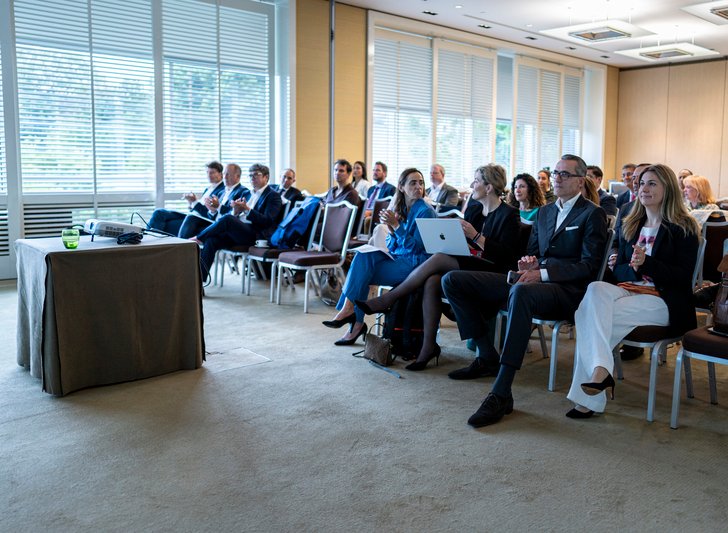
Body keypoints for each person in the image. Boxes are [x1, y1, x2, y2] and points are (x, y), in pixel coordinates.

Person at [442, 154, 608, 428]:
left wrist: (541, 273)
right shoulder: (545, 212)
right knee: (452, 280)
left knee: (520, 293)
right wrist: (528, 265)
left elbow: (588, 267)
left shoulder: (592, 213)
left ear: (580, 182)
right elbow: (532, 253)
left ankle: (501, 391)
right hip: (535, 281)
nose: (557, 178)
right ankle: (487, 354)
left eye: (564, 174)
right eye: (555, 173)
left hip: (568, 292)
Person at [565, 164, 700, 418]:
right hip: (630, 291)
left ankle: (590, 396)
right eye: (642, 183)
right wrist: (634, 267)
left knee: (588, 316)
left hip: (664, 301)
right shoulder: (632, 224)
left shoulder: (684, 227)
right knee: (595, 290)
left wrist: (646, 264)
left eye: (652, 183)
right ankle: (601, 372)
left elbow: (682, 278)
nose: (643, 188)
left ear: (668, 188)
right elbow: (620, 272)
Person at [356, 164, 520, 370]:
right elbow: (466, 245)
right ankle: (428, 347)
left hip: (496, 271)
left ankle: (389, 298)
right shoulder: (474, 209)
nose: (471, 185)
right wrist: (451, 238)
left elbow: (508, 256)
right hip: (471, 262)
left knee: (440, 258)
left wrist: (476, 236)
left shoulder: (509, 214)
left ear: (488, 188)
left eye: (476, 181)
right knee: (432, 280)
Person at [322, 168, 436, 346]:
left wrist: (397, 227)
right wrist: (392, 230)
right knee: (362, 257)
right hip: (400, 257)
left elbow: (418, 248)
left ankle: (354, 320)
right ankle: (351, 314)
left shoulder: (425, 211)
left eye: (421, 183)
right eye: (413, 183)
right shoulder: (402, 208)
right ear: (401, 187)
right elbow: (392, 245)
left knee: (362, 273)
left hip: (416, 265)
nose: (418, 187)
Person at [191, 164, 283, 282]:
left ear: (266, 177)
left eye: (256, 175)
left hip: (255, 235)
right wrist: (235, 211)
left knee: (228, 219)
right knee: (211, 240)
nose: (252, 178)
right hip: (239, 232)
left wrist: (247, 210)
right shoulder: (247, 194)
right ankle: (199, 281)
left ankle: (199, 238)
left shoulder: (273, 196)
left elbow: (267, 221)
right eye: (250, 175)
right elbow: (235, 215)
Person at [147, 161, 225, 236]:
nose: (209, 175)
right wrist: (191, 203)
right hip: (193, 215)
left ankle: (150, 239)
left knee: (161, 215)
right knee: (159, 212)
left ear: (221, 174)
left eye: (212, 172)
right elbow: (199, 208)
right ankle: (148, 237)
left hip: (199, 219)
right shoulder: (208, 189)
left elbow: (209, 213)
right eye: (207, 172)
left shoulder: (222, 190)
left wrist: (194, 201)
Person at [177, 163, 250, 239]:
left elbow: (233, 215)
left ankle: (182, 244)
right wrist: (212, 211)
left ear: (237, 176)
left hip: (224, 225)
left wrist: (218, 206)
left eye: (228, 174)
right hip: (215, 222)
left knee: (192, 218)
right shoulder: (222, 192)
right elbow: (214, 214)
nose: (225, 177)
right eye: (224, 174)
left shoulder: (243, 191)